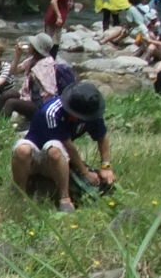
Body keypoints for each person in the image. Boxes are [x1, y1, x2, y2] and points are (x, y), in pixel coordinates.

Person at [12, 81, 113, 213]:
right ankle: (21, 193)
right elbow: (68, 146)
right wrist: (86, 173)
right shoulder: (52, 113)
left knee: (55, 151)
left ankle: (64, 199)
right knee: (25, 150)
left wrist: (106, 166)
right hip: (36, 154)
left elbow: (102, 137)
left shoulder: (91, 113)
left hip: (58, 157)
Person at [4, 33, 65, 122]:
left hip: (41, 105)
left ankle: (0, 128)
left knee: (11, 103)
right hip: (29, 97)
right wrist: (17, 56)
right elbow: (13, 72)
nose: (29, 46)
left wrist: (34, 78)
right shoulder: (33, 60)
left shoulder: (45, 65)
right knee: (8, 94)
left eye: (31, 45)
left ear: (36, 48)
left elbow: (49, 92)